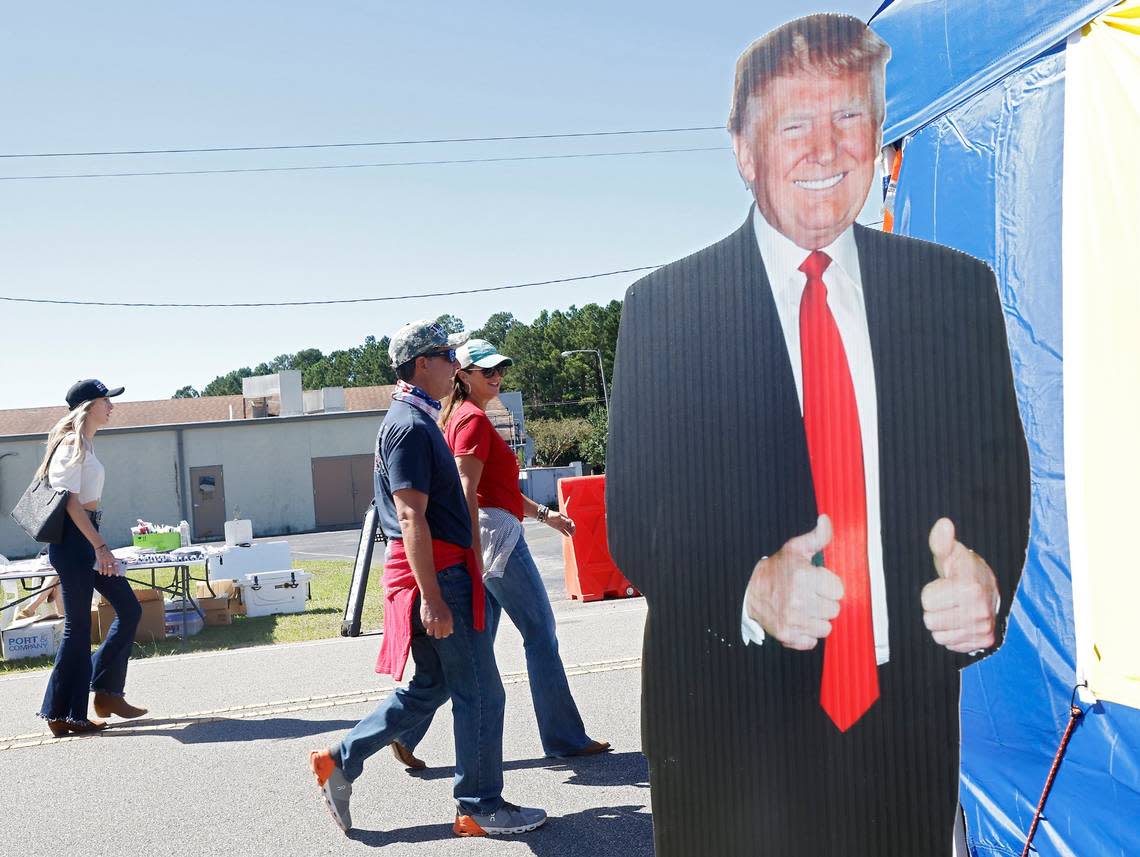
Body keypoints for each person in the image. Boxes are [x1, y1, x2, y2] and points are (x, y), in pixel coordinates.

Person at [605, 14, 1030, 857]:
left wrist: (985, 575)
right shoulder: (665, 314)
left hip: (902, 735)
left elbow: (998, 482)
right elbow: (638, 524)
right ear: (743, 148)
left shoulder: (957, 294)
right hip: (727, 739)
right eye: (794, 122)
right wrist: (749, 585)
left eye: (849, 116)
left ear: (878, 133)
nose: (825, 147)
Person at [310, 320, 547, 838]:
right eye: (446, 356)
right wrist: (434, 598)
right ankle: (480, 804)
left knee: (433, 684)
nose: (454, 366)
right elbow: (411, 516)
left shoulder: (414, 418)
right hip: (437, 576)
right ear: (422, 364)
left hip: (438, 572)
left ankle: (340, 758)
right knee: (483, 690)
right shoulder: (412, 426)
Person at [390, 339, 610, 768]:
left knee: (475, 650)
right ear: (462, 375)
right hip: (496, 541)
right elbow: (466, 493)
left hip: (487, 538)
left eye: (500, 369)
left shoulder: (455, 418)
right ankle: (563, 738)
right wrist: (474, 553)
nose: (496, 376)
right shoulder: (471, 420)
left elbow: (497, 489)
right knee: (540, 633)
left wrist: (545, 514)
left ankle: (405, 731)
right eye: (485, 370)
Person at [37, 379, 148, 736]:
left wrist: (96, 544)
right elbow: (69, 502)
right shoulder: (72, 444)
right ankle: (64, 712)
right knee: (78, 628)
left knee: (129, 608)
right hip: (75, 543)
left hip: (85, 539)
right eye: (106, 400)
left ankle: (105, 692)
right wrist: (100, 546)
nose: (111, 406)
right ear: (88, 406)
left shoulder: (84, 443)